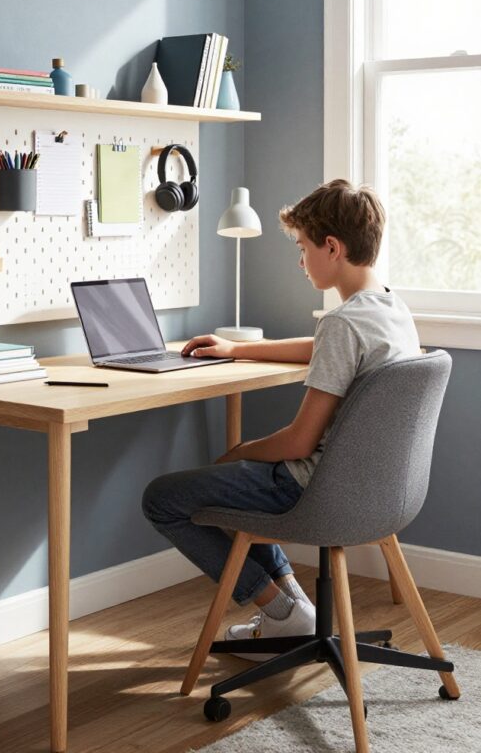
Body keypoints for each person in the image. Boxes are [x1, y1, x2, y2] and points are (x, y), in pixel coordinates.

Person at [142, 179, 421, 659]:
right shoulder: (390, 310)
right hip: (379, 493)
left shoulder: (342, 323)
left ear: (331, 247)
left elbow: (296, 443)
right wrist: (238, 350)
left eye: (303, 247)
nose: (300, 260)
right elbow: (322, 347)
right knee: (239, 482)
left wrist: (238, 453)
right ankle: (295, 608)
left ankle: (277, 610)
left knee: (163, 497)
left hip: (317, 489)